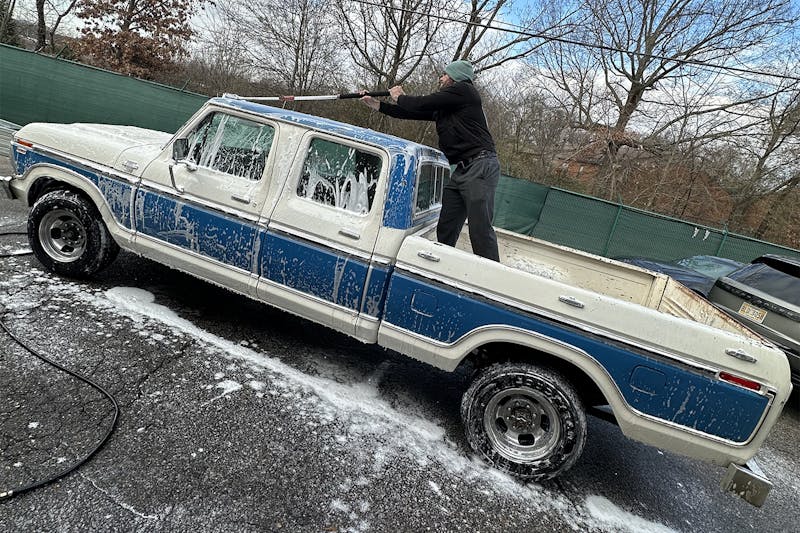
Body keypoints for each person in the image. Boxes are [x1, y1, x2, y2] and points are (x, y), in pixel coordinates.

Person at [361, 60, 500, 262]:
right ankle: (440, 265)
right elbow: (412, 111)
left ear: (454, 77)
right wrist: (378, 105)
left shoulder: (465, 91)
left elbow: (421, 102)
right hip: (462, 170)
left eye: (444, 75)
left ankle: (493, 280)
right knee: (447, 224)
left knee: (480, 228)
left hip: (480, 166)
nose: (441, 78)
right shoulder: (449, 106)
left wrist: (399, 96)